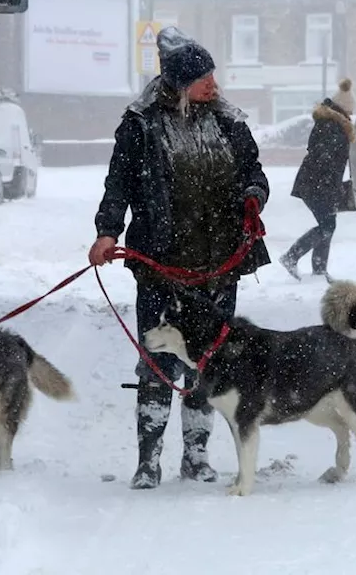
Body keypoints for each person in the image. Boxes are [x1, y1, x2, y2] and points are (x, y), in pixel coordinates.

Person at [89, 26, 271, 490]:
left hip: (219, 263)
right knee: (158, 359)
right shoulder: (141, 121)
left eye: (213, 74)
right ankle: (148, 460)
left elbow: (255, 171)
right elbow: (119, 184)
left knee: (208, 361)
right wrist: (107, 232)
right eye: (203, 77)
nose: (213, 83)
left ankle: (196, 455)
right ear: (178, 82)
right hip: (162, 265)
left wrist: (253, 196)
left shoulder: (229, 120)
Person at [279, 78, 356, 282]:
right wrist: (330, 183)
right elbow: (323, 156)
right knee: (327, 225)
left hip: (320, 184)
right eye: (350, 112)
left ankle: (320, 270)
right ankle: (291, 257)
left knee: (328, 224)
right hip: (316, 184)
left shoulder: (332, 124)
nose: (351, 116)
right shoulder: (331, 125)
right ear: (343, 110)